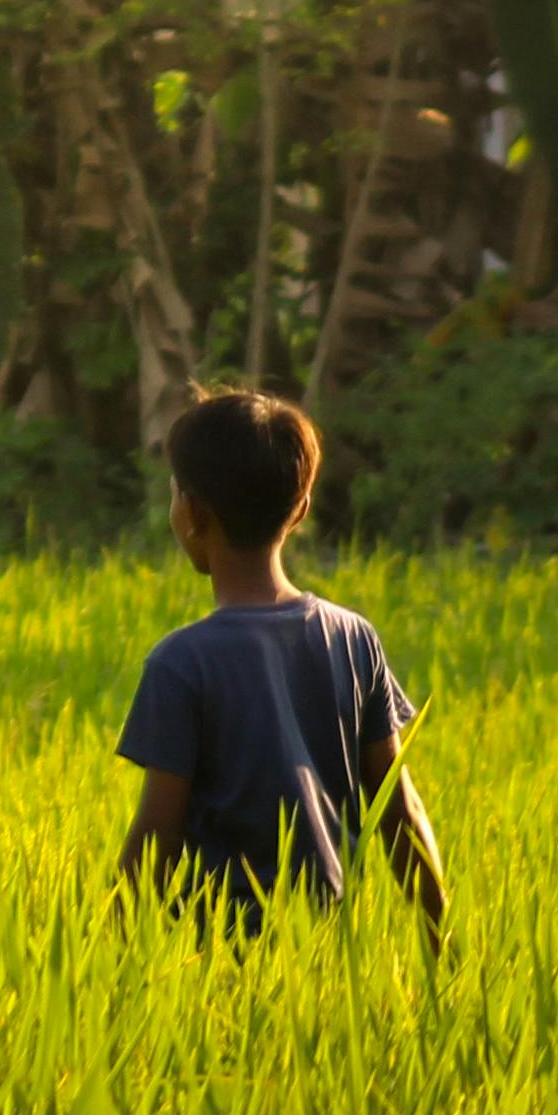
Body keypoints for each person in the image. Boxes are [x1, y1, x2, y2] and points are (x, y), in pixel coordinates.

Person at [112, 386, 444, 935]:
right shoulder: (353, 637)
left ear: (192, 512)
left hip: (212, 959)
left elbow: (157, 837)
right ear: (301, 511)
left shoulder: (181, 662)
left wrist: (106, 959)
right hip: (328, 950)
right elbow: (400, 813)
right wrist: (443, 950)